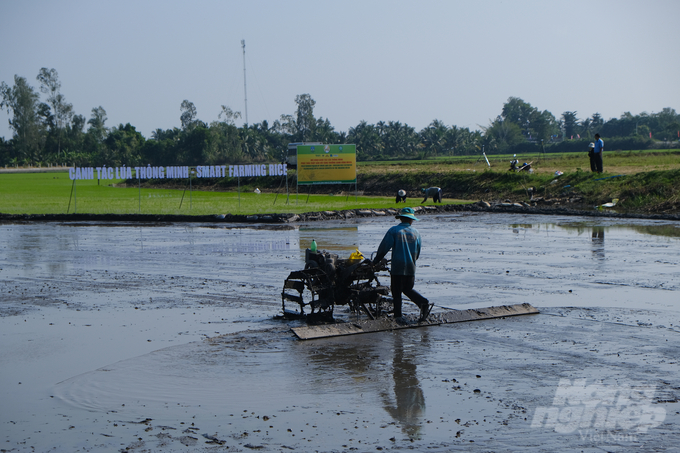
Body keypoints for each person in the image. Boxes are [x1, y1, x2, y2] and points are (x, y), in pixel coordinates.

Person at [372, 207, 432, 322]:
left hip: (398, 266)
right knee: (408, 288)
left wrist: (376, 261)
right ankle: (422, 302)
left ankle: (398, 316)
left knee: (397, 292)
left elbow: (384, 248)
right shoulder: (416, 233)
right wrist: (413, 261)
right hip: (411, 266)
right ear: (411, 220)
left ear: (401, 219)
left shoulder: (394, 231)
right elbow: (418, 251)